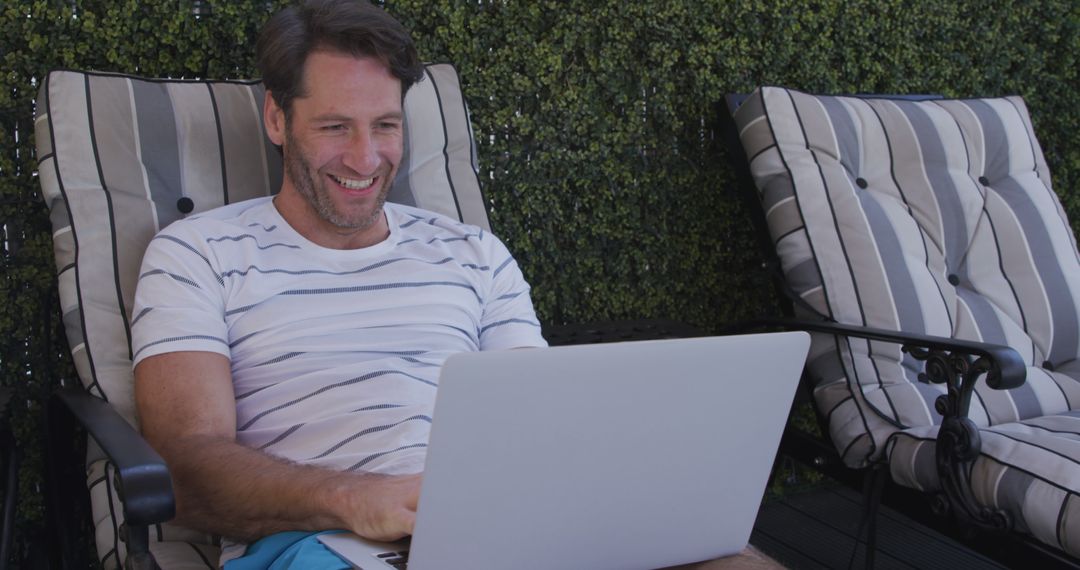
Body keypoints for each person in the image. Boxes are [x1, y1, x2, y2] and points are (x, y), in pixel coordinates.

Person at [130, 0, 546, 566]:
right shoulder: (197, 254)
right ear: (277, 119)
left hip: (493, 531)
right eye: (334, 127)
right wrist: (351, 499)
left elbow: (539, 425)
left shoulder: (474, 254)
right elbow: (183, 466)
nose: (365, 158)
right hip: (318, 542)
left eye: (385, 126)